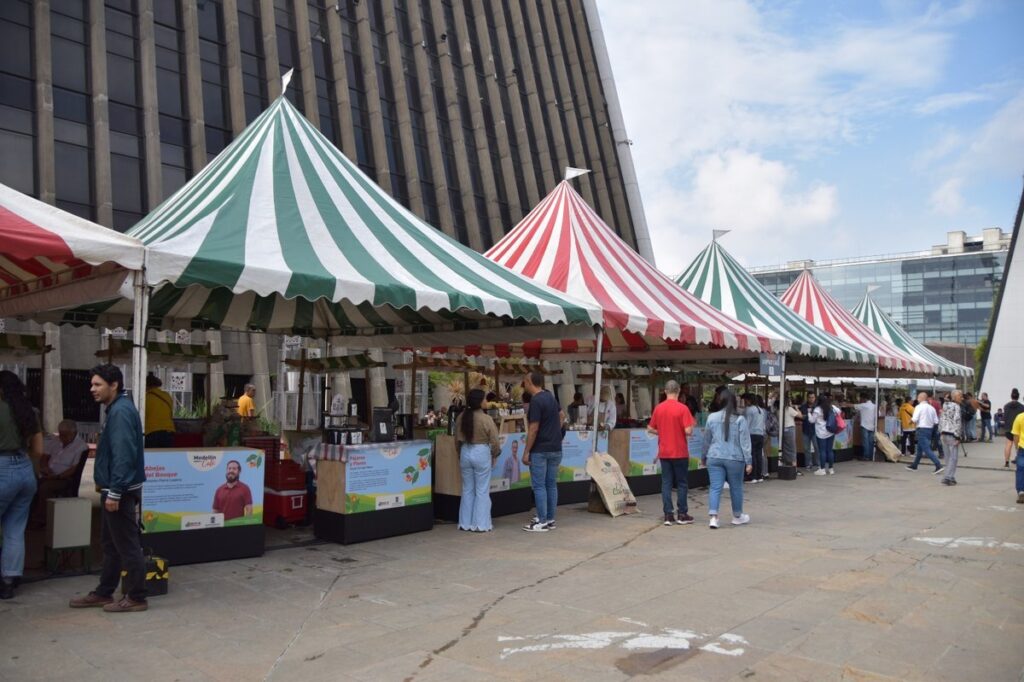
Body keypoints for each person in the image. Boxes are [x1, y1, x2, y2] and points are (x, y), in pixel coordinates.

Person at [69, 364, 148, 612]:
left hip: (120, 491)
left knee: (126, 545)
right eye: (92, 384)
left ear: (113, 385)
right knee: (111, 543)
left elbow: (124, 454)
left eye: (97, 384)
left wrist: (115, 492)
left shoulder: (121, 412)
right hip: (114, 489)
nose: (92, 389)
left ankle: (136, 596)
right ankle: (105, 591)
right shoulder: (116, 409)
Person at [0, 371, 43, 600]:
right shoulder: (29, 411)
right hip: (25, 470)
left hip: (2, 468)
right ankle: (9, 581)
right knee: (15, 530)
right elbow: (38, 451)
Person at [701, 389, 751, 529]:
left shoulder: (711, 417)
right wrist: (749, 461)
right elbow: (745, 442)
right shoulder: (740, 419)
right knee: (736, 487)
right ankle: (737, 516)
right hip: (735, 458)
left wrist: (703, 456)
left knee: (715, 487)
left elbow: (706, 440)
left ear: (720, 401)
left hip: (714, 456)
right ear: (734, 402)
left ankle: (713, 518)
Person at [647, 380, 696, 526]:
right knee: (681, 483)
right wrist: (690, 428)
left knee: (666, 483)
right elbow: (688, 431)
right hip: (680, 451)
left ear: (665, 391)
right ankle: (682, 513)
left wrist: (662, 431)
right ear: (679, 391)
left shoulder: (659, 408)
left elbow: (650, 428)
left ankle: (668, 515)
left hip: (664, 451)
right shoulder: (683, 408)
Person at [521, 372, 564, 532]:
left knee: (539, 486)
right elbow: (562, 415)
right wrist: (555, 433)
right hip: (555, 448)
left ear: (529, 382)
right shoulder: (550, 396)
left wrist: (526, 452)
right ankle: (550, 518)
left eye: (524, 381)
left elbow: (533, 429)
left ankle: (541, 520)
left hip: (540, 449)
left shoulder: (536, 401)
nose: (523, 385)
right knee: (551, 484)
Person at [454, 389, 500, 532]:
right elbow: (495, 441)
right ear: (480, 401)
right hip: (481, 452)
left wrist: (459, 454)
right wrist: (495, 454)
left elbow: (456, 440)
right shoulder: (486, 419)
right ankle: (480, 524)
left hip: (465, 451)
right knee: (482, 490)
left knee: (467, 489)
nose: (486, 401)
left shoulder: (461, 417)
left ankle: (464, 523)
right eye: (485, 399)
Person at [31, 420, 87, 526]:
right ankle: (30, 515)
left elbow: (74, 469)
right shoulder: (56, 440)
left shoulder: (81, 446)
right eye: (61, 434)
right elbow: (45, 456)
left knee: (45, 488)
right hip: (48, 473)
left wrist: (57, 476)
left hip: (63, 478)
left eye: (65, 435)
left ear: (73, 433)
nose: (62, 437)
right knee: (29, 484)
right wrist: (44, 467)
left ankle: (41, 519)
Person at [907, 391, 943, 474]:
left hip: (922, 429)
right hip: (930, 430)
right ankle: (914, 465)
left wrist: (910, 422)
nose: (917, 399)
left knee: (926, 449)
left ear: (921, 398)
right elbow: (936, 421)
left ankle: (938, 465)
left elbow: (915, 419)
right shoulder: (931, 408)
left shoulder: (918, 407)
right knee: (920, 449)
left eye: (918, 397)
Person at [809, 393, 840, 475]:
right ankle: (831, 469)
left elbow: (812, 420)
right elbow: (839, 412)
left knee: (822, 451)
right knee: (830, 450)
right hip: (830, 431)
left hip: (821, 432)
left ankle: (822, 469)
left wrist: (809, 413)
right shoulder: (832, 407)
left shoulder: (817, 410)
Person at [939, 390, 964, 486]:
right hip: (952, 434)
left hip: (944, 433)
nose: (961, 398)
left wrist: (940, 431)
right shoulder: (957, 407)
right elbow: (957, 421)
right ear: (955, 397)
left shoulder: (945, 405)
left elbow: (941, 418)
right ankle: (948, 477)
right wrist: (958, 436)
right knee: (953, 458)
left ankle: (951, 477)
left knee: (947, 457)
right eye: (960, 396)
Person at [144, 374, 176, 448]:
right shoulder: (167, 396)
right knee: (167, 457)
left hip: (152, 432)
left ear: (146, 385)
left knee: (152, 457)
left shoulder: (145, 398)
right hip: (168, 432)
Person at [742, 393, 766, 483]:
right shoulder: (761, 410)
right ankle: (759, 475)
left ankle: (751, 476)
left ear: (749, 400)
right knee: (758, 455)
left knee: (751, 455)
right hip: (760, 434)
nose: (744, 402)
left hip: (751, 434)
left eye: (745, 400)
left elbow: (746, 424)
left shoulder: (749, 410)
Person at [1003, 390, 1023, 469]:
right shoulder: (1022, 407)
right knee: (1018, 446)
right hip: (1018, 429)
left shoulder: (1006, 406)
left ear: (1011, 396)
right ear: (1018, 397)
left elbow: (1005, 417)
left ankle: (1007, 463)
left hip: (1008, 428)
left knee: (1008, 445)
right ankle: (1019, 460)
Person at [855, 392, 877, 462]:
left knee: (865, 442)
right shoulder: (874, 406)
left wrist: (843, 404)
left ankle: (866, 456)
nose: (860, 400)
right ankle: (870, 456)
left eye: (860, 398)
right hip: (872, 426)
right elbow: (878, 414)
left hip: (864, 425)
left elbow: (853, 405)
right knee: (870, 442)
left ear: (863, 398)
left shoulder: (863, 405)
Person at [781, 395, 801, 470]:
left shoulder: (779, 409)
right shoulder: (789, 409)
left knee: (785, 448)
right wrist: (797, 408)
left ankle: (785, 465)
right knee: (792, 448)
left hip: (782, 430)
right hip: (789, 429)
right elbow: (800, 416)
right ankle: (794, 467)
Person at [799, 393, 817, 470]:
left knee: (817, 447)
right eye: (810, 397)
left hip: (815, 430)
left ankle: (818, 463)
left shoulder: (817, 407)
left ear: (815, 398)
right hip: (805, 429)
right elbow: (800, 416)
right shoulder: (803, 406)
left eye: (812, 397)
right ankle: (808, 464)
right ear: (807, 398)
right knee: (806, 448)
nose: (811, 399)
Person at [1011, 408, 1024, 504]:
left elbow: (1016, 435)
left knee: (1020, 469)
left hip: (1022, 447)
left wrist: (1016, 447)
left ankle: (1021, 492)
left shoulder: (1020, 417)